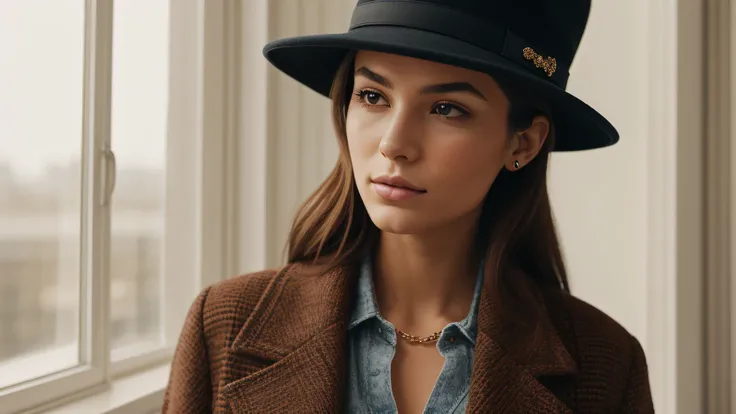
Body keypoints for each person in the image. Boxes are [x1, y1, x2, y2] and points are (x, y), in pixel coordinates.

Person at [162, 0, 655, 413]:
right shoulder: (224, 325)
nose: (395, 143)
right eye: (373, 96)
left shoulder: (604, 363)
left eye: (447, 109)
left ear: (522, 144)